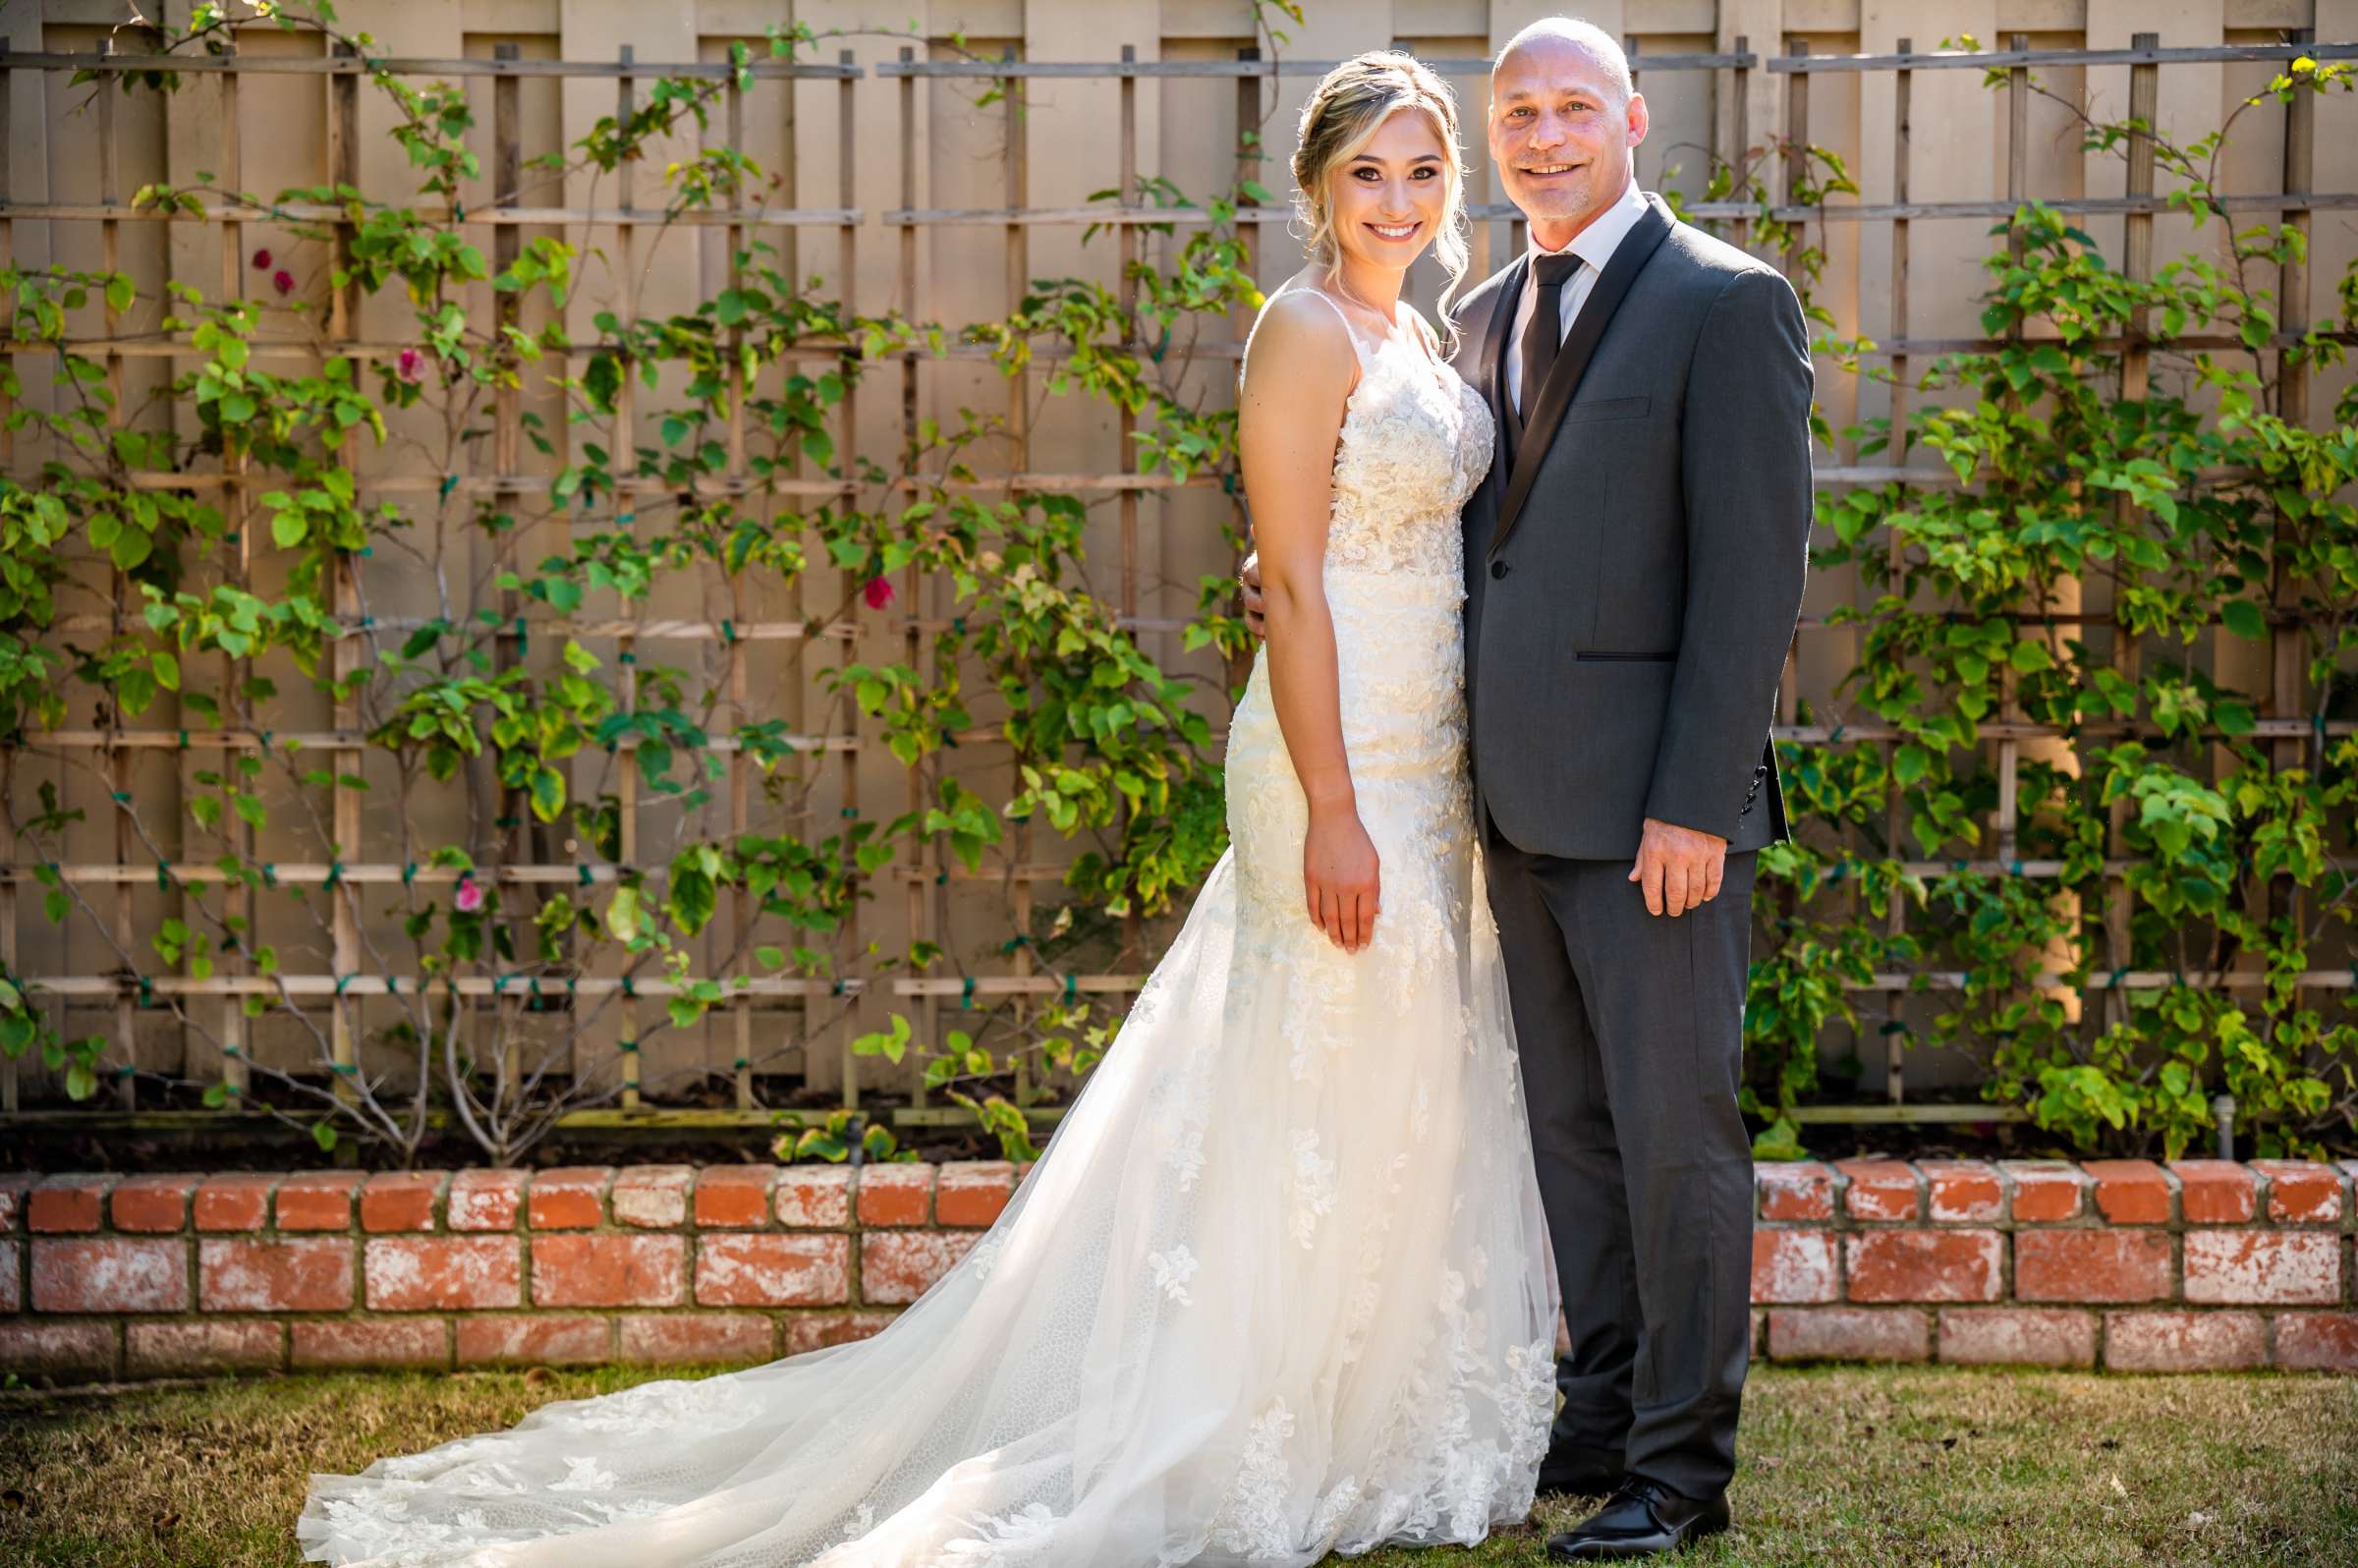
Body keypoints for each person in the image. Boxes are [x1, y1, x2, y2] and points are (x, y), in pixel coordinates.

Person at [299, 50, 1559, 1568]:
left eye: (1426, 171)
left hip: (1432, 757)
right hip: (1333, 760)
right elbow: (1290, 582)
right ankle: (1248, 1416)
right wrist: (1338, 806)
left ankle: (1376, 1411)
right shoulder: (1299, 329)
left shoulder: (1416, 327)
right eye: (1371, 171)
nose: (1401, 199)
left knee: (1401, 1074)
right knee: (1307, 1071)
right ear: (1316, 186)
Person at [1244, 17, 1813, 1562]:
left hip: (1658, 820)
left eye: (1574, 106)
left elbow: (1757, 576)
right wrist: (1288, 579)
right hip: (1500, 805)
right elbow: (1450, 538)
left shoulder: (1725, 303)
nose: (1545, 136)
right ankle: (1608, 1413)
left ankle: (1682, 1474)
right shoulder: (1473, 314)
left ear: (1633, 116)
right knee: (1570, 1130)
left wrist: (1698, 798)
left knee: (1676, 1132)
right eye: (1518, 115)